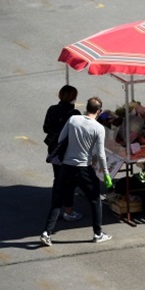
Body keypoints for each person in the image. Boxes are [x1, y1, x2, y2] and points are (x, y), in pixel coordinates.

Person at [40, 97, 113, 246]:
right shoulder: (98, 128)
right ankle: (97, 233)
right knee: (94, 200)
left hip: (67, 166)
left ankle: (46, 232)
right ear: (98, 111)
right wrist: (106, 173)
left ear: (86, 107)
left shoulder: (73, 119)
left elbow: (61, 138)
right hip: (84, 168)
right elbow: (100, 154)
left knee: (58, 201)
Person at [43, 85, 83, 221]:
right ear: (73, 98)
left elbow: (45, 128)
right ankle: (68, 210)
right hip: (68, 151)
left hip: (54, 151)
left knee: (58, 179)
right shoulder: (74, 113)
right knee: (69, 181)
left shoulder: (52, 109)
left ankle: (55, 207)